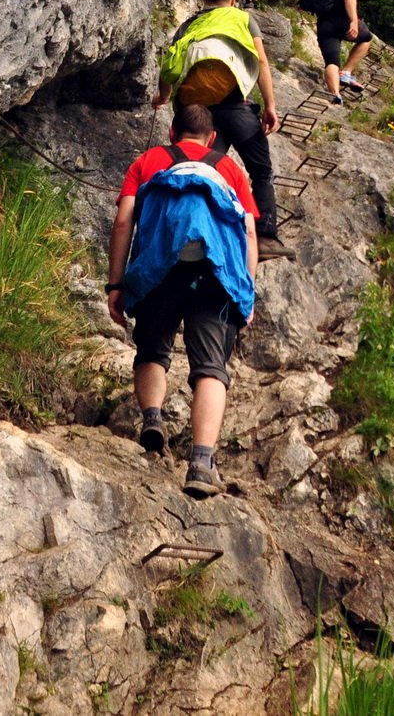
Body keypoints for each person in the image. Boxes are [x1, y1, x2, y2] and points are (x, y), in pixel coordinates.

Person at [106, 104, 257, 498]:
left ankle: (153, 418)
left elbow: (124, 220)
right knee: (210, 367)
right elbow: (250, 233)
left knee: (153, 350)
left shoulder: (149, 160)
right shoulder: (229, 169)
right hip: (215, 275)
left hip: (161, 268)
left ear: (173, 132)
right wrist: (246, 291)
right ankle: (202, 462)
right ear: (211, 137)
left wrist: (116, 284)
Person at [153, 0, 293, 259]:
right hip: (235, 106)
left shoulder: (190, 24)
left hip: (198, 115)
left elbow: (170, 64)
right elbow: (262, 59)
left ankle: (192, 235)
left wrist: (164, 97)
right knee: (261, 171)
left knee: (201, 172)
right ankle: (265, 236)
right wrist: (269, 105)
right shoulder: (242, 18)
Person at [317, 0, 373, 104]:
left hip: (324, 23)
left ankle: (335, 95)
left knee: (332, 62)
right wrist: (354, 21)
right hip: (342, 21)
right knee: (367, 38)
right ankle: (346, 72)